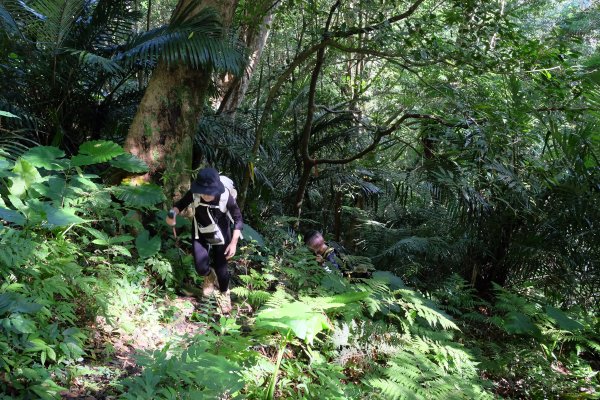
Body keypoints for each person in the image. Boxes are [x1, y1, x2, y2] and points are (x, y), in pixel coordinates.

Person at [166, 168, 243, 314]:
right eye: (203, 191)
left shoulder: (226, 197)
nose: (206, 194)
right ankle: (209, 276)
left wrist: (233, 243)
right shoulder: (195, 193)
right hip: (200, 231)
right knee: (200, 267)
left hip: (221, 234)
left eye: (210, 191)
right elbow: (180, 205)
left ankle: (224, 294)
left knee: (222, 269)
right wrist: (172, 214)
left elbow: (238, 220)